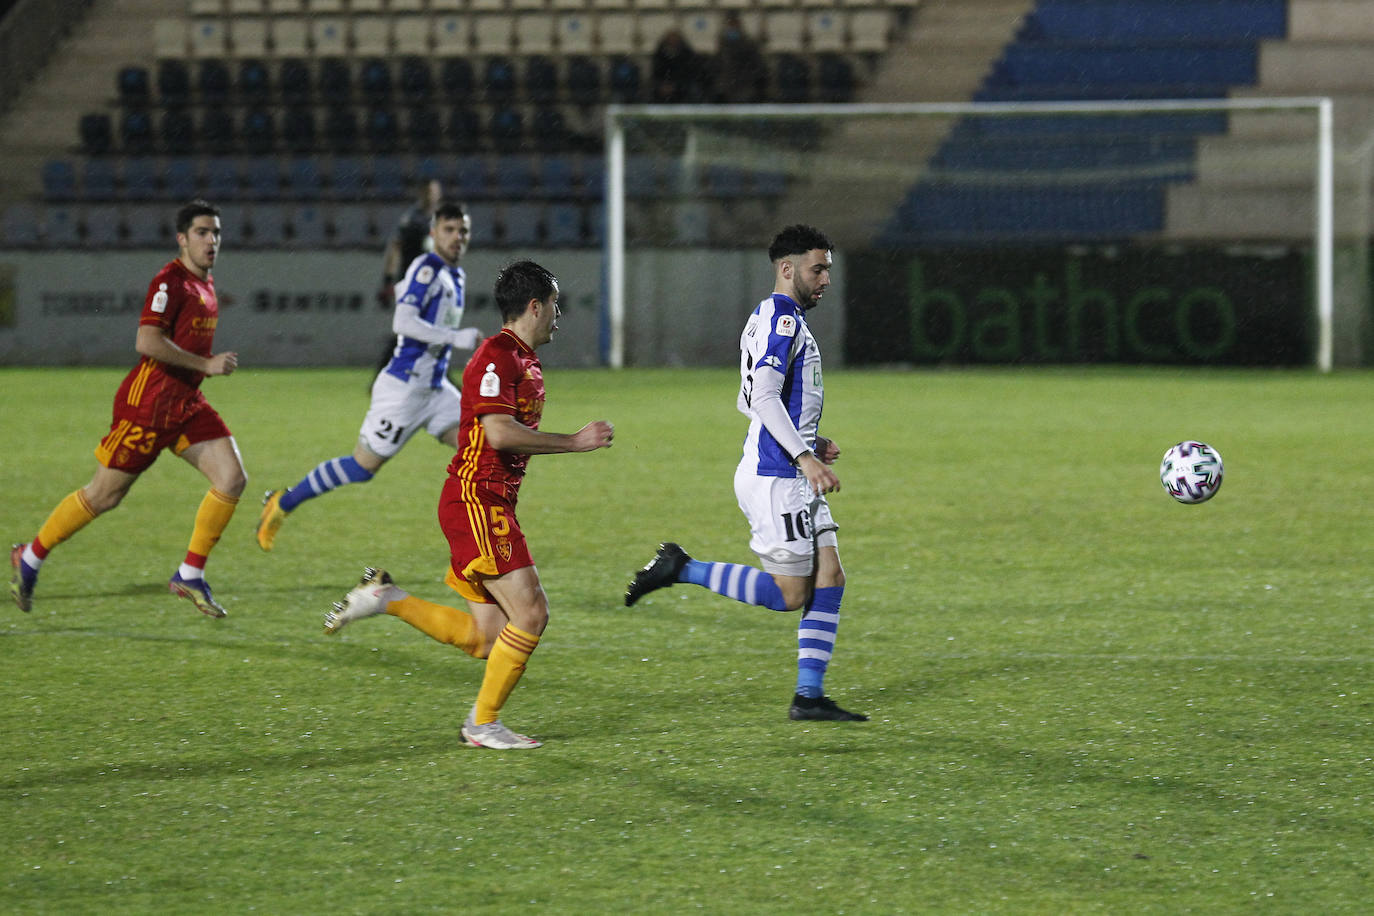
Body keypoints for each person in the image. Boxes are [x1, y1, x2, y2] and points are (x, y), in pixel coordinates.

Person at [324, 260, 614, 750]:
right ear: (535, 306)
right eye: (555, 306)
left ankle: (387, 598)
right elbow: (499, 433)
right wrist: (575, 441)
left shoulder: (522, 358)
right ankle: (482, 724)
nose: (559, 316)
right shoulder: (496, 356)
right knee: (532, 613)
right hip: (477, 500)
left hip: (486, 502)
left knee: (486, 638)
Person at [625, 224, 867, 722]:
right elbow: (761, 398)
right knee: (791, 594)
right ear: (787, 268)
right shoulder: (782, 322)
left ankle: (809, 696)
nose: (825, 279)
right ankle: (681, 567)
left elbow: (750, 400)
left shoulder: (767, 317)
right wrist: (803, 456)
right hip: (778, 478)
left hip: (789, 467)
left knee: (831, 576)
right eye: (817, 268)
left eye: (827, 270)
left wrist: (809, 441)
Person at [9, 199, 246, 618]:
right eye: (202, 233)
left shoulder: (204, 282)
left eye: (216, 233)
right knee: (103, 495)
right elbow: (147, 342)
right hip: (149, 405)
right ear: (181, 239)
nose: (212, 241)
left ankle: (189, 574)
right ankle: (30, 557)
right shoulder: (169, 282)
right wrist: (205, 364)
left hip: (186, 404)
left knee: (231, 479)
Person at [255, 199, 484, 551]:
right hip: (404, 391)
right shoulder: (426, 270)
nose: (457, 237)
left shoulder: (457, 274)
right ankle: (282, 503)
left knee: (479, 451)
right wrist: (456, 337)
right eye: (449, 230)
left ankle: (479, 542)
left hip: (436, 390)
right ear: (434, 233)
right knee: (362, 468)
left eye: (463, 231)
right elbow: (402, 321)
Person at [381, 178, 442, 296]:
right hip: (413, 280)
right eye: (428, 192)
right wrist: (388, 279)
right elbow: (395, 247)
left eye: (434, 192)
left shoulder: (443, 220)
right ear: (421, 193)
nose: (431, 195)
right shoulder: (411, 220)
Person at [712, 12, 766, 104]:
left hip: (745, 88)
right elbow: (717, 66)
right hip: (727, 88)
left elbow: (757, 66)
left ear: (739, 25)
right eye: (730, 25)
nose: (732, 28)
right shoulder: (722, 45)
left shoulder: (749, 44)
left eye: (734, 25)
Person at [650, 28, 706, 104]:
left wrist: (675, 86)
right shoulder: (660, 55)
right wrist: (663, 85)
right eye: (671, 40)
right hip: (663, 86)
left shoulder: (687, 55)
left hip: (682, 86)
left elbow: (690, 74)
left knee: (693, 90)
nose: (673, 42)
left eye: (675, 40)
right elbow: (656, 73)